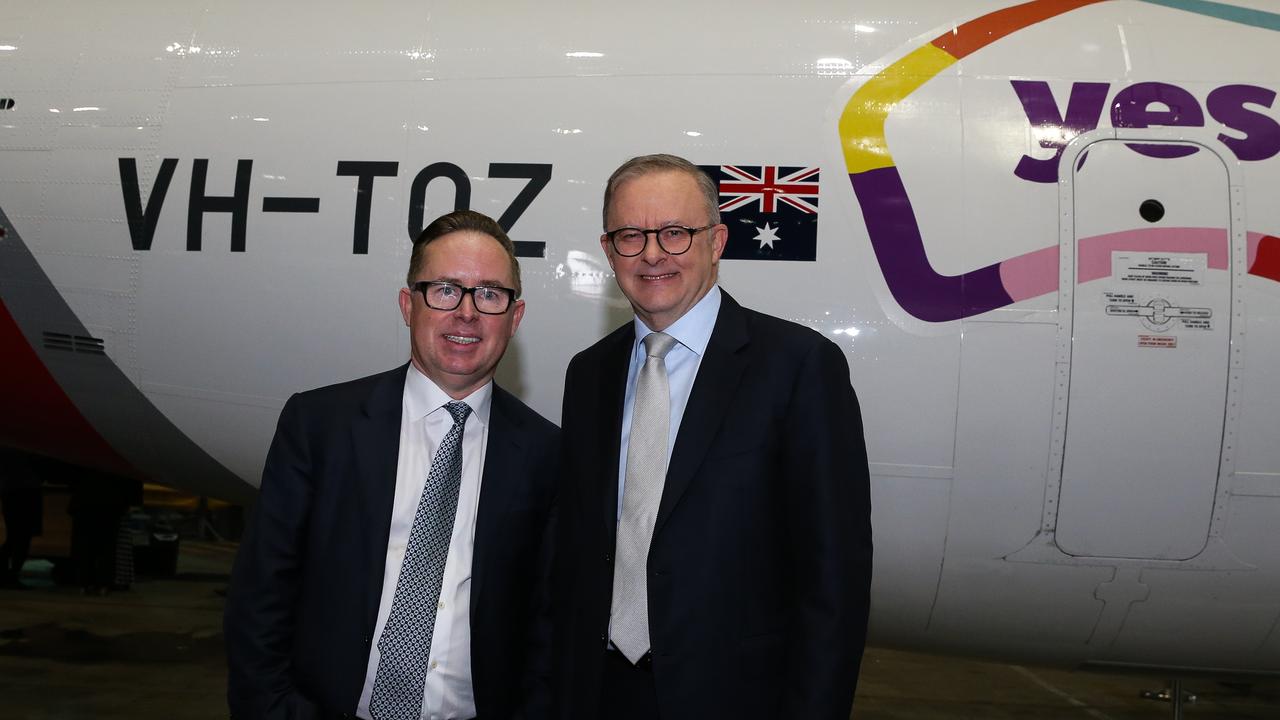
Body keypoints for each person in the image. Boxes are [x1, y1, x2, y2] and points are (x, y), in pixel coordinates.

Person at [554, 154, 873, 720]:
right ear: (608, 251)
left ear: (717, 241)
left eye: (676, 233)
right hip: (598, 693)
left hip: (738, 697)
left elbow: (833, 585)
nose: (653, 253)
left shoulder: (799, 368)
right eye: (631, 235)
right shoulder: (588, 374)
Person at [225, 210, 558, 720]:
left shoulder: (546, 455)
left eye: (490, 294)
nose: (466, 312)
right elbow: (261, 597)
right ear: (408, 304)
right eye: (445, 289)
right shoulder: (320, 427)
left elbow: (548, 629)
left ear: (515, 317)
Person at [0, 451, 43, 589]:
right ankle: (12, 574)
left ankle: (7, 574)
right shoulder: (29, 450)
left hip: (11, 491)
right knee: (22, 537)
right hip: (27, 491)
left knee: (14, 537)